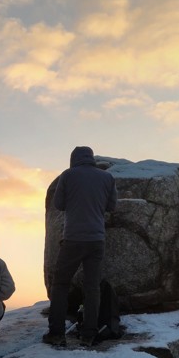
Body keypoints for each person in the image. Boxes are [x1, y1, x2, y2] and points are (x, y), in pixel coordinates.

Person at [43, 146, 117, 347]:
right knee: (92, 287)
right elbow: (112, 206)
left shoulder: (67, 176)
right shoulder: (107, 178)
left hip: (73, 239)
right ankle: (89, 333)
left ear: (73, 160)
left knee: (60, 285)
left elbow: (59, 204)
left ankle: (56, 333)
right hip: (96, 240)